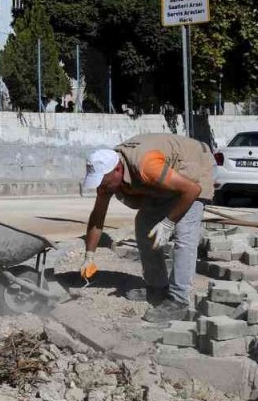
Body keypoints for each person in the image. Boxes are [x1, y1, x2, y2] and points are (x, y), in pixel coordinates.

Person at [78, 133, 216, 323]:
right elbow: (98, 215)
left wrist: (168, 223)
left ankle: (178, 300)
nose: (101, 187)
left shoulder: (147, 167)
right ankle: (157, 287)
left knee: (184, 235)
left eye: (103, 182)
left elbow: (191, 190)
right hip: (168, 173)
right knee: (144, 226)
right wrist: (89, 256)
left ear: (117, 170)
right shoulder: (110, 174)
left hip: (194, 165)